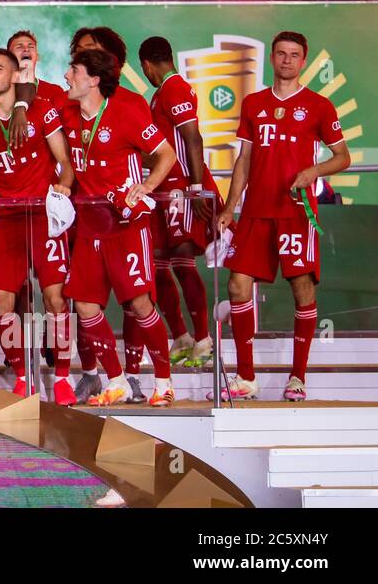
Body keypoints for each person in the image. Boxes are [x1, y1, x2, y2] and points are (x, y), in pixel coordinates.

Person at [215, 31, 350, 401]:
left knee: (301, 289)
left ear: (302, 61)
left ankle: (298, 378)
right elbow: (243, 159)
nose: (287, 60)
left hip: (294, 213)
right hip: (256, 212)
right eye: (281, 54)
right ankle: (246, 377)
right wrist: (230, 207)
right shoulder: (253, 103)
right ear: (272, 59)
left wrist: (313, 172)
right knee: (237, 285)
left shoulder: (319, 106)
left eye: (294, 55)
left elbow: (343, 156)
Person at [61, 48, 178, 408]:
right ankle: (116, 382)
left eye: (73, 71)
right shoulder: (67, 113)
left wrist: (147, 186)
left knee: (140, 304)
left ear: (93, 80)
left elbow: (166, 154)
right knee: (84, 305)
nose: (67, 76)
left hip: (127, 226)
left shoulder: (126, 112)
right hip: (89, 227)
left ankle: (164, 381)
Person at [0, 49, 77, 403]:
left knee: (56, 300)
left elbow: (65, 162)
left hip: (43, 216)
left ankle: (61, 378)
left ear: (15, 76)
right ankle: (23, 376)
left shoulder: (41, 109)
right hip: (7, 219)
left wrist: (64, 187)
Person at [138, 36, 220, 370]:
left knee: (184, 258)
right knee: (158, 262)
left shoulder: (174, 89)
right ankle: (182, 337)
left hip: (182, 188)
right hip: (162, 188)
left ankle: (203, 339)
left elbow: (193, 138)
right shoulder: (161, 94)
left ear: (146, 65)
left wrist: (197, 188)